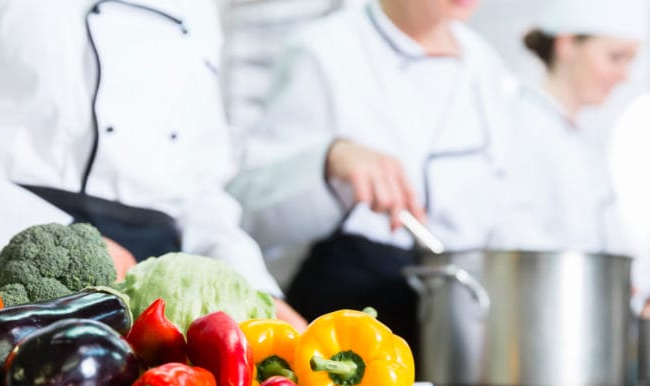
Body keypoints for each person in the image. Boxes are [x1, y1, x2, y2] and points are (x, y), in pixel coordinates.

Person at [0, 0, 306, 330]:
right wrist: (46, 234)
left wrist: (253, 287)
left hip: (155, 291)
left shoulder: (197, 10)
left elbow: (200, 190)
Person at [228, 0, 532, 351]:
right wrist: (330, 160)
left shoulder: (484, 63)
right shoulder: (326, 48)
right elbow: (249, 211)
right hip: (348, 312)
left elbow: (511, 205)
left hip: (459, 316)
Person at [513, 0, 650, 320]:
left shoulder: (584, 139)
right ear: (567, 44)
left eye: (630, 61)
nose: (624, 74)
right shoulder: (517, 126)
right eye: (616, 57)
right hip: (544, 327)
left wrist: (644, 292)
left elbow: (601, 243)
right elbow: (525, 253)